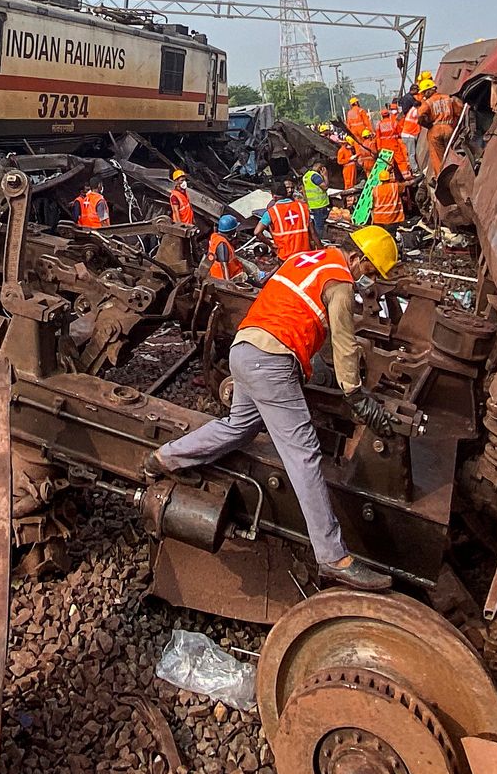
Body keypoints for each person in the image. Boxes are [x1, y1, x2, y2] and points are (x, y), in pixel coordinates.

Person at [144, 227, 403, 591]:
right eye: (370, 272)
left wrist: (315, 364)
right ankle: (332, 557)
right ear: (359, 258)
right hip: (271, 362)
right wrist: (358, 397)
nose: (366, 280)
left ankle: (164, 458)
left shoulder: (305, 259)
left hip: (244, 350)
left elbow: (290, 310)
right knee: (304, 455)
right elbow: (345, 345)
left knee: (239, 427)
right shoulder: (341, 283)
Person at [416, 73, 464, 176]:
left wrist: (428, 125)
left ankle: (439, 178)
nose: (424, 95)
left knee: (437, 157)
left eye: (424, 92)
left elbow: (420, 116)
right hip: (449, 129)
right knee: (451, 154)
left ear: (430, 90)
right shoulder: (448, 98)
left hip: (435, 130)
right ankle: (456, 174)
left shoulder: (428, 102)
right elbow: (459, 111)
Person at [254, 186, 314, 261]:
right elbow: (313, 232)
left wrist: (270, 244)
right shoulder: (302, 207)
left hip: (285, 256)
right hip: (304, 254)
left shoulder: (271, 212)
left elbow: (257, 232)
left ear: (273, 196)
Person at [375, 103, 412, 179]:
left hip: (384, 148)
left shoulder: (379, 125)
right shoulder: (393, 123)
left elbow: (378, 138)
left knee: (387, 163)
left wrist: (379, 148)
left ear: (382, 116)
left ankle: (390, 178)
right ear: (389, 114)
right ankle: (406, 176)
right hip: (394, 145)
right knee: (400, 161)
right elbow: (399, 133)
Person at [371, 161, 407, 237]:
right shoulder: (395, 186)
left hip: (379, 219)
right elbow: (408, 184)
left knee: (380, 237)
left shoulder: (375, 189)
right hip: (392, 218)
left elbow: (373, 204)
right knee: (391, 237)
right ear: (389, 178)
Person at [207, 214, 244, 280]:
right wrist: (228, 284)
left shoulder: (215, 237)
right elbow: (224, 266)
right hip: (222, 278)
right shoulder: (222, 244)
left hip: (215, 274)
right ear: (231, 231)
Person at [302, 159, 331, 240]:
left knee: (317, 224)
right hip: (320, 204)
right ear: (321, 168)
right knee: (319, 226)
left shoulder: (306, 176)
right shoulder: (315, 176)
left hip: (313, 205)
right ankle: (320, 241)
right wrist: (325, 175)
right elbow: (325, 187)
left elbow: (304, 192)